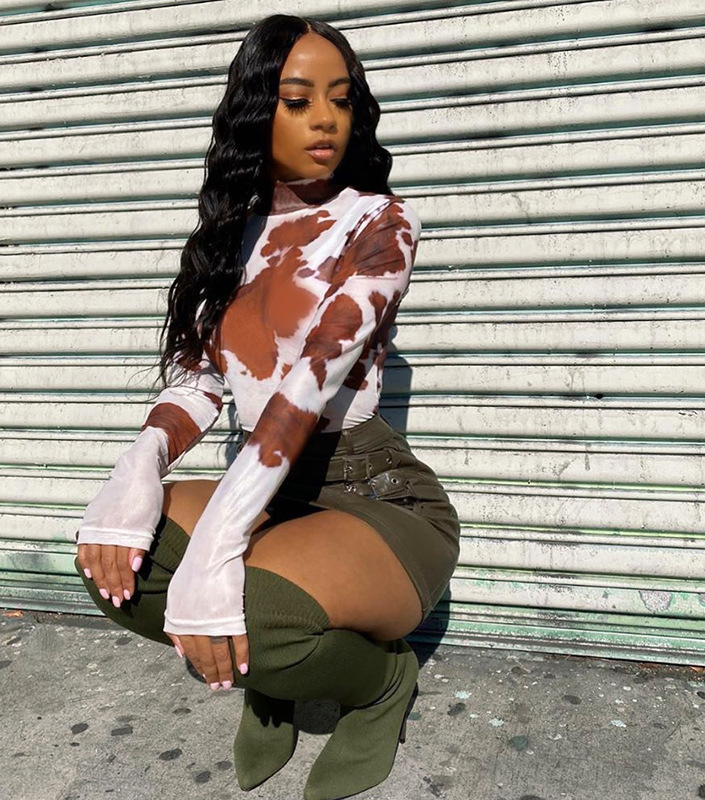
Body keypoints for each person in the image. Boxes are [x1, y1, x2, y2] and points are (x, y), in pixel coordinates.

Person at [73, 14, 460, 800]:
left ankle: (379, 682)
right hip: (272, 488)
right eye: (298, 100)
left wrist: (220, 538)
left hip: (374, 493)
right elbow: (201, 382)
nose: (326, 119)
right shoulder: (234, 236)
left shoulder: (380, 222)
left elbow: (309, 385)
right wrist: (137, 468)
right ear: (256, 110)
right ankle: (270, 678)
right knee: (118, 564)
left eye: (341, 100)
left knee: (248, 602)